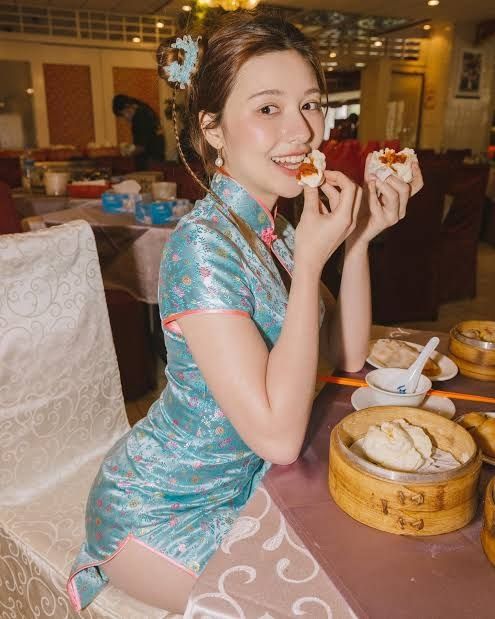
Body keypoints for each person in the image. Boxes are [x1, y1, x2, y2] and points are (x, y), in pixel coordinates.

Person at [68, 13, 423, 614]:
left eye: (310, 105)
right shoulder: (201, 246)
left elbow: (347, 356)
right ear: (212, 129)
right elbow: (280, 438)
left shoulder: (272, 230)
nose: (302, 130)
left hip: (249, 487)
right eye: (268, 108)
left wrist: (360, 240)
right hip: (159, 509)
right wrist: (309, 267)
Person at [112, 94, 165, 170]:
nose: (125, 118)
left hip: (149, 162)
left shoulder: (139, 117)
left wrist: (127, 151)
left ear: (127, 107)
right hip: (158, 157)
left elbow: (141, 147)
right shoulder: (145, 109)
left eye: (123, 114)